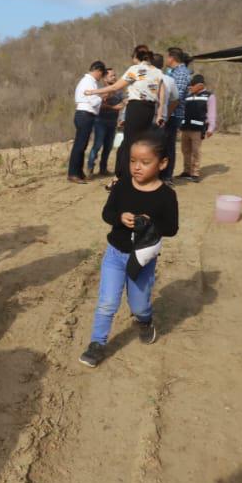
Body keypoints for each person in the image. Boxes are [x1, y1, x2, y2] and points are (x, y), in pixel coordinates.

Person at [79, 131, 179, 368]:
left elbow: (172, 228)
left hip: (142, 259)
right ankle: (97, 344)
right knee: (107, 302)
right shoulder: (122, 185)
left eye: (145, 162)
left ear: (162, 163)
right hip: (115, 254)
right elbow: (107, 213)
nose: (137, 167)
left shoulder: (166, 195)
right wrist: (119, 218)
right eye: (133, 161)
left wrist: (150, 222)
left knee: (139, 304)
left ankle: (144, 321)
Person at [88, 47, 167, 182]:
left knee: (129, 142)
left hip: (136, 107)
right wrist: (160, 115)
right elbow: (162, 96)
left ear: (137, 57)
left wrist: (94, 92)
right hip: (150, 109)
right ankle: (137, 174)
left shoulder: (135, 70)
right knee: (141, 141)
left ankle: (122, 176)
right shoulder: (158, 72)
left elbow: (115, 87)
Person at [68, 61, 107, 184]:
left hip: (84, 114)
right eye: (102, 74)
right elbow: (93, 101)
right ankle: (73, 173)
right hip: (85, 114)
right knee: (80, 145)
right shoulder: (89, 82)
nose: (101, 77)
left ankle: (78, 172)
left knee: (82, 145)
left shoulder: (87, 81)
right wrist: (102, 96)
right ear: (98, 71)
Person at [178, 74, 217, 182]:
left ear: (200, 85)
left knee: (196, 151)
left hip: (198, 129)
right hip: (185, 127)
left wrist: (211, 128)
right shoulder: (188, 96)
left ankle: (195, 173)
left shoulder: (209, 96)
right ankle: (186, 171)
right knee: (185, 150)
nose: (190, 88)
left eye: (192, 86)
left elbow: (212, 113)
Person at [161, 48, 191, 182]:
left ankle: (167, 176)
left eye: (167, 57)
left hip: (173, 114)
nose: (166, 59)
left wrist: (166, 115)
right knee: (164, 144)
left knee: (168, 145)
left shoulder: (181, 73)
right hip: (169, 113)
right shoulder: (173, 72)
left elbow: (176, 97)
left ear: (172, 58)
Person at [87, 74, 123, 177]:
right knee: (97, 145)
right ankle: (90, 169)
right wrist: (112, 107)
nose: (114, 77)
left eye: (114, 75)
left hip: (113, 122)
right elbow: (97, 104)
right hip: (100, 122)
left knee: (108, 146)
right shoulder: (100, 90)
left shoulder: (119, 91)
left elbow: (123, 102)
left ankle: (103, 169)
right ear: (105, 79)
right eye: (111, 76)